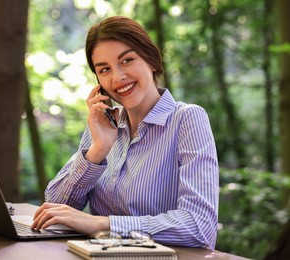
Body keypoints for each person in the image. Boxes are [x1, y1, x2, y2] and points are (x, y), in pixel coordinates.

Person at [31, 16, 219, 250]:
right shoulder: (103, 124)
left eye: (127, 60)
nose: (117, 77)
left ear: (151, 60)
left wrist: (102, 224)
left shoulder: (187, 119)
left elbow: (199, 227)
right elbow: (54, 209)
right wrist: (98, 150)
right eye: (104, 69)